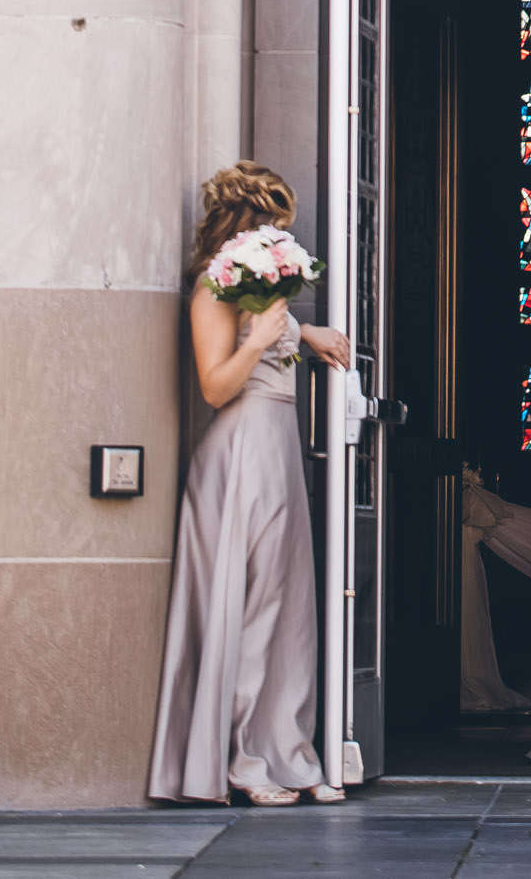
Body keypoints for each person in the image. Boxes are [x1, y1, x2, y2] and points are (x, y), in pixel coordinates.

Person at [149, 162, 353, 805]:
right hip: (239, 451)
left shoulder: (261, 291)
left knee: (287, 606)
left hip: (278, 448)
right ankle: (242, 757)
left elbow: (275, 342)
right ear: (246, 225)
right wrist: (262, 336)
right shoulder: (213, 290)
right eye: (274, 226)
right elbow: (215, 386)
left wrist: (304, 333)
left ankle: (288, 752)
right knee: (252, 605)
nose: (279, 238)